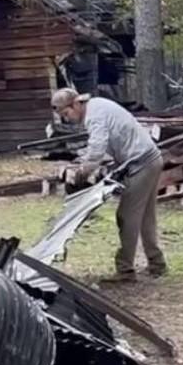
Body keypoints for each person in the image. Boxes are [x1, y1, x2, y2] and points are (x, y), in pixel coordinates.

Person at [50, 88, 167, 280]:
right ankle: (157, 264)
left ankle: (125, 270)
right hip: (150, 159)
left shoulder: (94, 116)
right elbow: (101, 146)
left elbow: (97, 150)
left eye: (66, 114)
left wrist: (82, 173)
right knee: (146, 217)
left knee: (126, 216)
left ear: (76, 104)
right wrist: (85, 162)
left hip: (142, 163)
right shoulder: (97, 106)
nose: (67, 119)